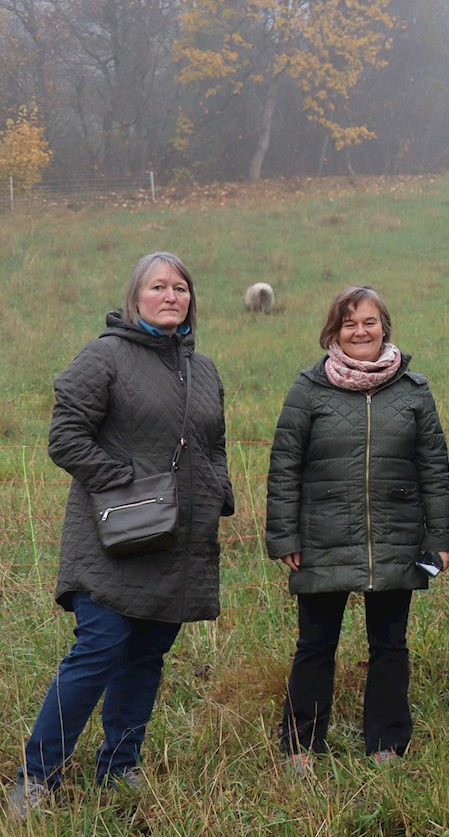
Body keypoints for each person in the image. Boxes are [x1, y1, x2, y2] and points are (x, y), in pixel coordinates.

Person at [11, 253, 232, 818]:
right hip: (113, 538)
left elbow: (214, 446)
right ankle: (37, 778)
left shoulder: (203, 370)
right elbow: (66, 436)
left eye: (180, 288)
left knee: (146, 656)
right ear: (135, 297)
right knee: (99, 650)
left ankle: (118, 767)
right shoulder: (104, 355)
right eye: (158, 286)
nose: (170, 296)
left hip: (177, 542)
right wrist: (126, 484)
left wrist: (217, 494)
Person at [265, 286, 449, 770]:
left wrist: (441, 537)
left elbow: (433, 468)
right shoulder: (307, 390)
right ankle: (302, 747)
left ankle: (386, 746)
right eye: (349, 323)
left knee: (390, 645)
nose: (360, 331)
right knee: (315, 645)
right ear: (334, 331)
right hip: (321, 537)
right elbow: (284, 466)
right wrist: (285, 536)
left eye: (369, 322)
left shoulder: (413, 391)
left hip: (396, 536)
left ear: (385, 327)